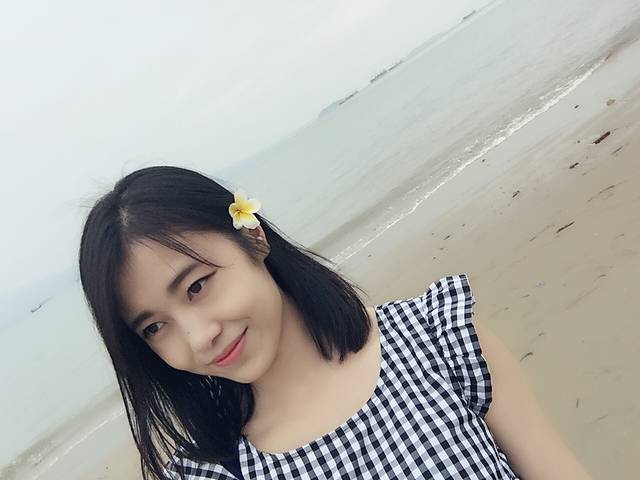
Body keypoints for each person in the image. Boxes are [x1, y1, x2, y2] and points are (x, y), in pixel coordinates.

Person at [78, 165, 592, 479]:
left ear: (252, 238)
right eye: (154, 327)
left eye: (197, 286)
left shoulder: (437, 339)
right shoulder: (214, 472)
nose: (198, 336)